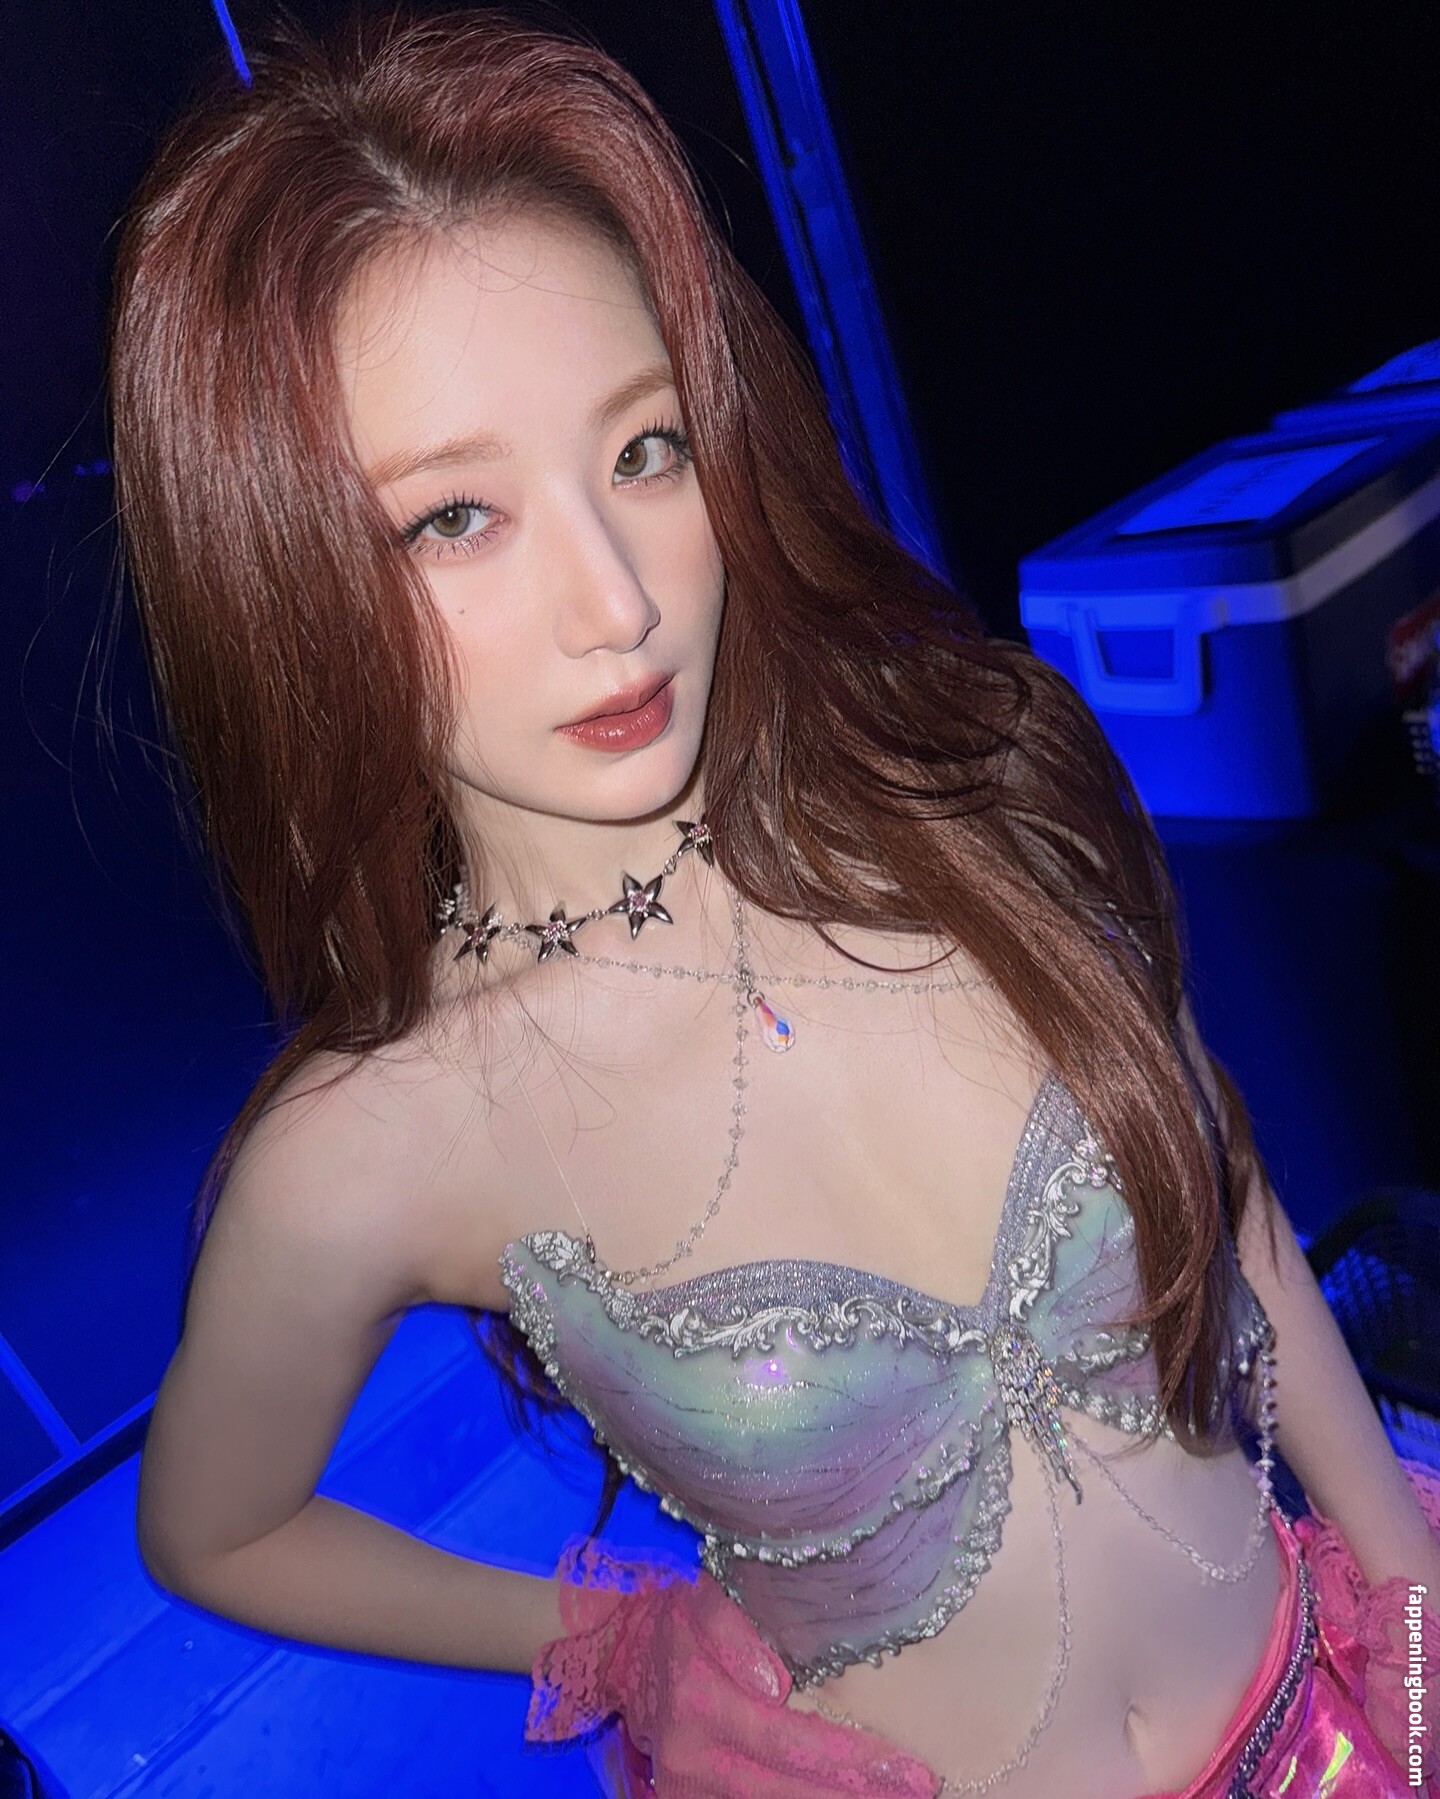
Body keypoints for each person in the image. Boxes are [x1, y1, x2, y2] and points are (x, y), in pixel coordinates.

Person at [109, 10, 1439, 1796]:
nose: (617, 602)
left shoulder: (959, 784)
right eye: (454, 520)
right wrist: (612, 1638)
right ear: (283, 582)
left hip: (1347, 1724)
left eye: (643, 450)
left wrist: (1410, 1588)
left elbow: (1229, 1193)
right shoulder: (374, 1146)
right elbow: (215, 1527)